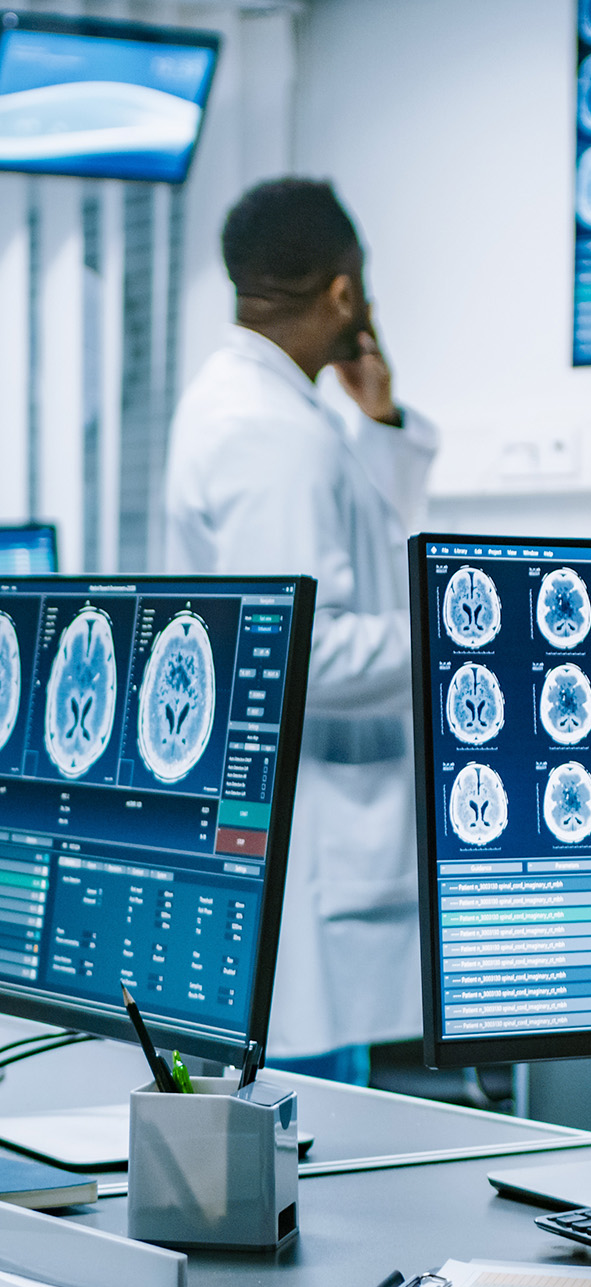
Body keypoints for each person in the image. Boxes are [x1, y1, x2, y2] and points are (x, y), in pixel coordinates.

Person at [164, 178, 438, 1082]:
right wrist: (458, 643)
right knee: (314, 1127)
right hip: (317, 841)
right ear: (345, 292)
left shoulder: (268, 411)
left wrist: (382, 423)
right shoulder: (269, 431)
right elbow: (302, 653)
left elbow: (358, 555)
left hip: (321, 840)